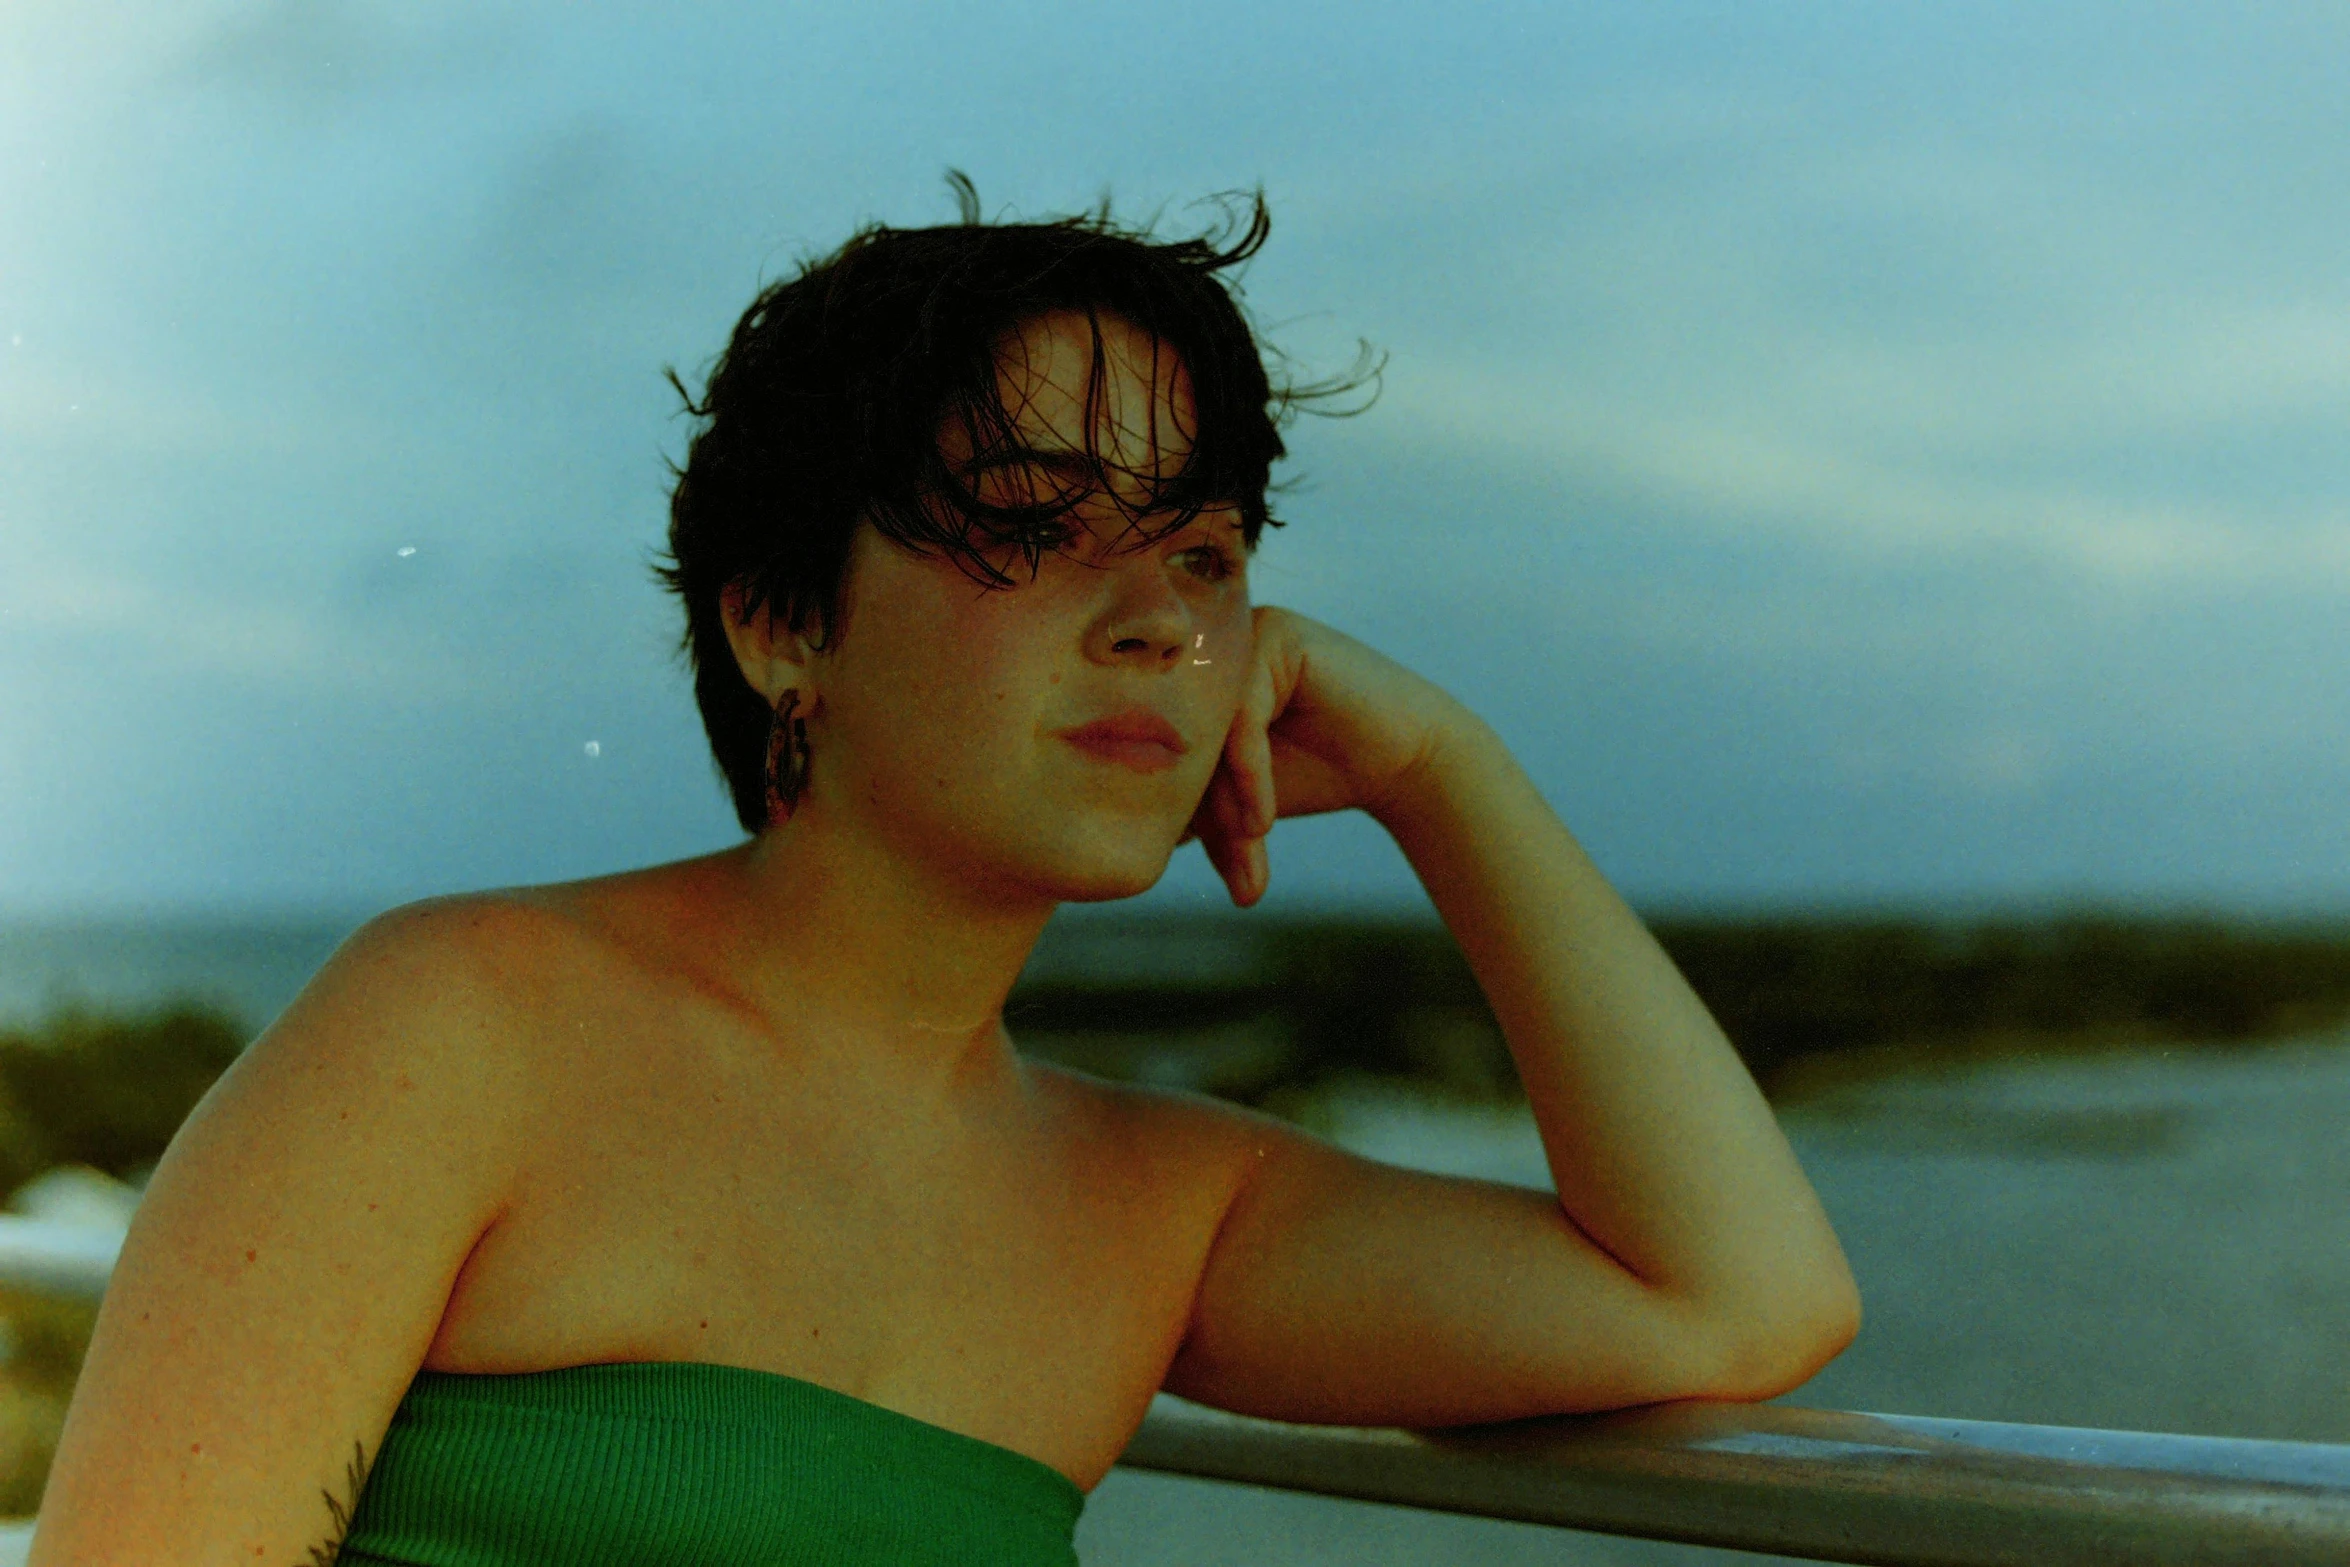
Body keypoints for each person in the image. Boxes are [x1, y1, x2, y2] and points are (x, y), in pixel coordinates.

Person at [28, 176, 1860, 1565]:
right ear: (775, 624)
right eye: (1034, 529)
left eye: (1207, 555)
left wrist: (1440, 768)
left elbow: (1733, 1299)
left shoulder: (1150, 1207)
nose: (1156, 616)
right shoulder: (457, 1028)